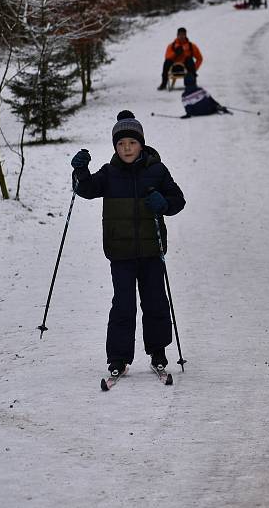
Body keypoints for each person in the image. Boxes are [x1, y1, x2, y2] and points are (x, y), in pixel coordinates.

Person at [70, 110, 186, 376]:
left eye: (132, 143)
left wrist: (164, 203)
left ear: (141, 144)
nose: (127, 148)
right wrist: (80, 171)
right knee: (123, 305)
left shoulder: (157, 171)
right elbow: (85, 190)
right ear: (115, 147)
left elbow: (178, 201)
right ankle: (119, 357)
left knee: (155, 301)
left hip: (151, 251)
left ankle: (158, 351)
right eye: (121, 144)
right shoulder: (109, 173)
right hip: (120, 253)